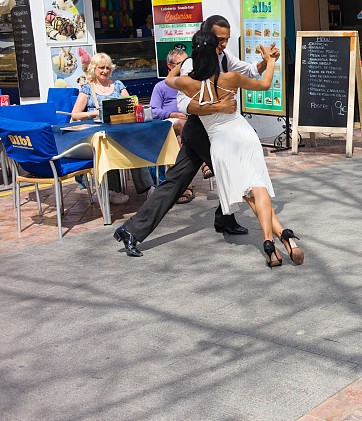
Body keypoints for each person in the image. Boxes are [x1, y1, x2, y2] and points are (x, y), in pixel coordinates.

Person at [113, 15, 272, 257]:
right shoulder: (190, 65)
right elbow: (187, 106)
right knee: (234, 173)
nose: (224, 44)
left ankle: (133, 230)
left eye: (227, 39)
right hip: (201, 130)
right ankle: (248, 226)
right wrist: (218, 107)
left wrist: (265, 62)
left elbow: (249, 70)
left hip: (217, 131)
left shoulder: (225, 58)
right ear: (206, 36)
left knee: (178, 180)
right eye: (220, 39)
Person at [165, 30, 302, 268]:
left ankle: (274, 242)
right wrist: (269, 62)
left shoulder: (188, 83)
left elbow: (168, 79)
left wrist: (184, 62)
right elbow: (265, 84)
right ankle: (277, 238)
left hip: (220, 142)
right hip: (243, 134)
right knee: (258, 186)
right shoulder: (229, 78)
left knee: (246, 192)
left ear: (196, 53)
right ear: (215, 51)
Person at [70, 52, 155, 205]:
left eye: (108, 68)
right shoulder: (87, 89)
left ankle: (147, 187)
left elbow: (131, 106)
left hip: (121, 131)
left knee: (133, 146)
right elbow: (75, 115)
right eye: (101, 68)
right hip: (99, 134)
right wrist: (94, 113)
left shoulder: (118, 85)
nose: (105, 71)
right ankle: (111, 190)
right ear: (93, 69)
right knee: (107, 147)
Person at [149, 48, 198, 203]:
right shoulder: (161, 86)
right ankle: (200, 167)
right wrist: (173, 114)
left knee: (182, 139)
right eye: (181, 64)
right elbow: (154, 111)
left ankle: (182, 184)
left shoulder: (192, 83)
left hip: (190, 124)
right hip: (168, 124)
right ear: (170, 67)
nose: (186, 68)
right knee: (182, 125)